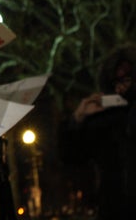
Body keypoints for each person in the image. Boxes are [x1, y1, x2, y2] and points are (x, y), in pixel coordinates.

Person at [60, 43, 136, 219]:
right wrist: (78, 119)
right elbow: (71, 157)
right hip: (113, 208)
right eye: (116, 81)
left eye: (127, 79)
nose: (121, 87)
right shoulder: (103, 119)